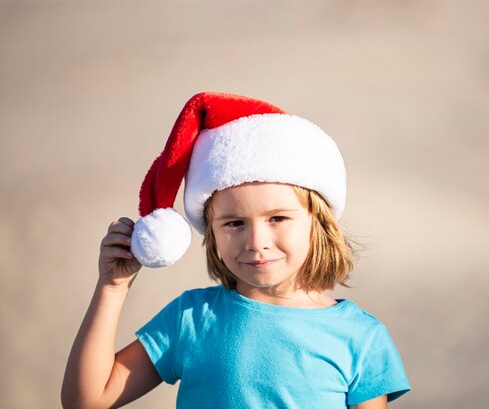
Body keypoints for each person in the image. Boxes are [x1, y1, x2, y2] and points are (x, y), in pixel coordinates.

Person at [62, 92, 410, 408]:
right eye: (234, 223)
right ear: (210, 231)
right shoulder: (191, 318)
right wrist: (112, 287)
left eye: (277, 218)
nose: (255, 241)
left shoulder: (361, 337)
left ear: (318, 222)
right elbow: (87, 401)